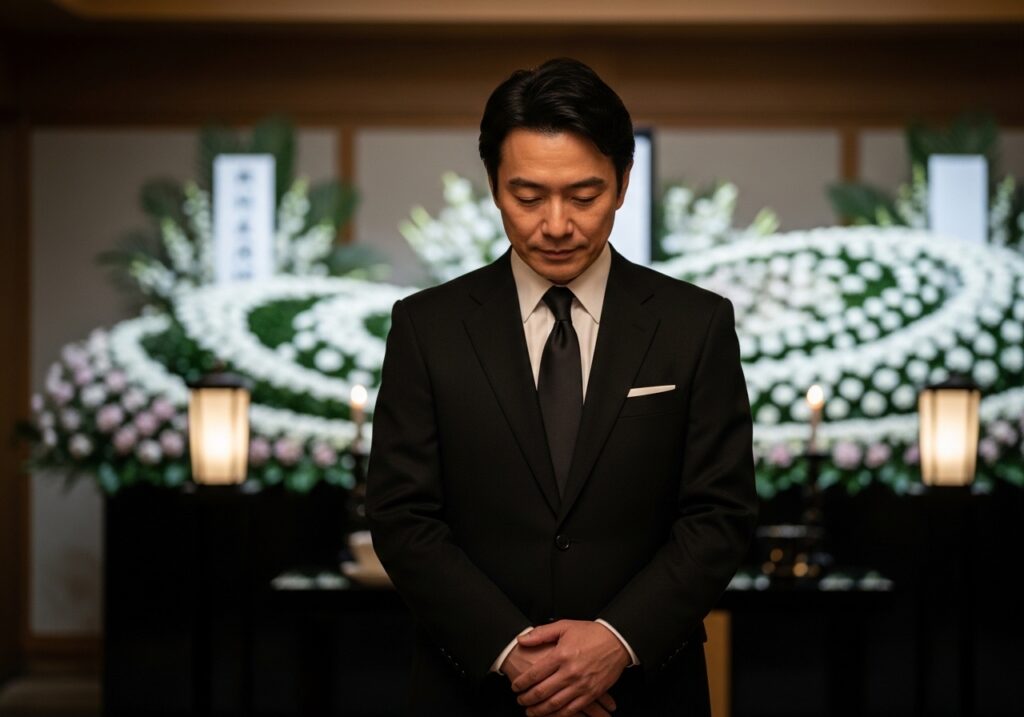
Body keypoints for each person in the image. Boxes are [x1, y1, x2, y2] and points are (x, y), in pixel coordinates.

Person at [366, 57, 757, 716]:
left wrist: (614, 642)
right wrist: (514, 653)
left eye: (583, 196)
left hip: (644, 692)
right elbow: (401, 516)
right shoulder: (427, 327)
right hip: (473, 691)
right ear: (494, 186)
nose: (555, 225)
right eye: (527, 197)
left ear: (623, 183)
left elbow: (721, 515)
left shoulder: (695, 324)